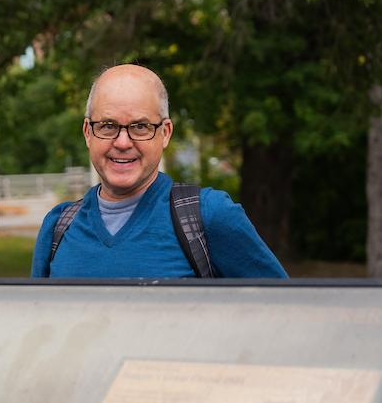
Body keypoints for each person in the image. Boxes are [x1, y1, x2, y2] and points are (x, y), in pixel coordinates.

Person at [31, 64, 287, 279]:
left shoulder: (209, 216)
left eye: (140, 126)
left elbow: (284, 310)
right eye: (108, 125)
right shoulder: (58, 227)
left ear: (165, 133)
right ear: (88, 133)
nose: (122, 142)